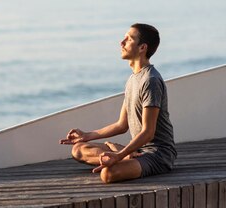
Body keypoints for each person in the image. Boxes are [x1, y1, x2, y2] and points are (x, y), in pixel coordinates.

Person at [59, 23, 177, 183]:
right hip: (137, 150)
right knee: (78, 150)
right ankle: (126, 154)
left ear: (142, 47)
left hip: (157, 155)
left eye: (128, 39)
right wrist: (87, 135)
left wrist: (118, 155)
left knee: (108, 174)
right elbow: (122, 125)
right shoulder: (132, 80)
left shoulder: (151, 81)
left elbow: (148, 132)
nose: (122, 43)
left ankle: (123, 155)